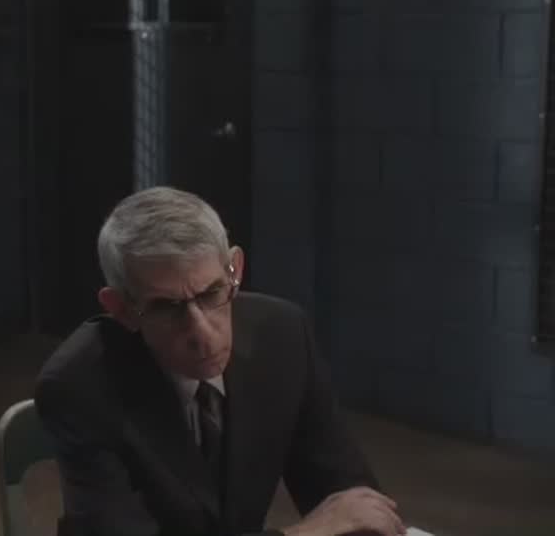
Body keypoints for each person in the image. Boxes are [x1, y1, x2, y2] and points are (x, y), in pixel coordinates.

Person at [35, 187, 405, 536]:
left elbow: (353, 502)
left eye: (212, 293)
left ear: (235, 270)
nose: (202, 334)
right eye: (166, 307)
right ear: (121, 309)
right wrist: (305, 532)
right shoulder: (79, 385)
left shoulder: (282, 336)